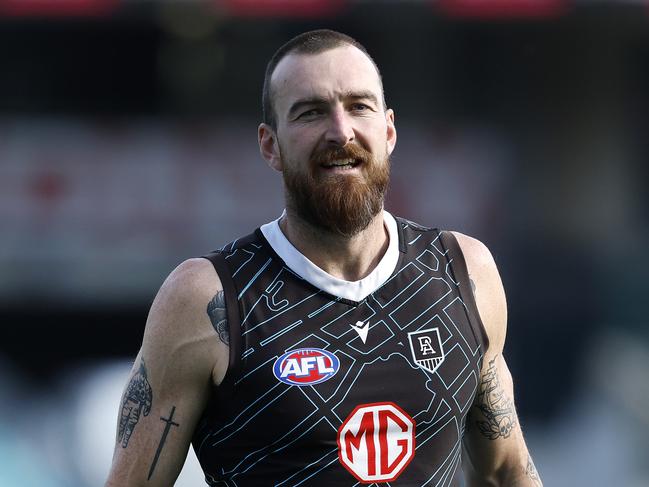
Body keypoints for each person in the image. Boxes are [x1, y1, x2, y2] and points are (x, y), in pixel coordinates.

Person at [105, 29, 543, 487]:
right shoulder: (209, 299)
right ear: (270, 145)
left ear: (388, 130)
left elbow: (504, 472)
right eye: (311, 112)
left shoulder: (463, 272)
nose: (340, 131)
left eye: (359, 106)